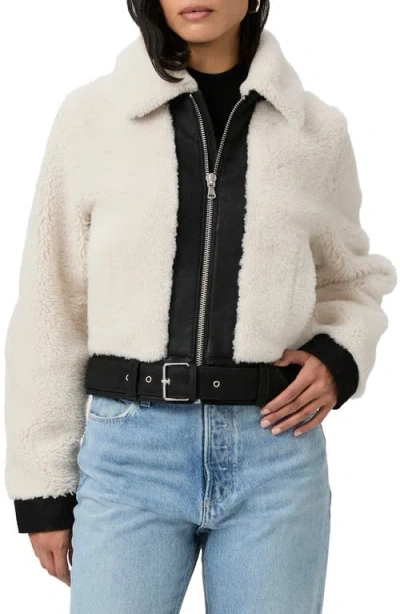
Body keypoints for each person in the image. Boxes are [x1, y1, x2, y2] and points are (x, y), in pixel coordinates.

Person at [4, 1, 397, 612]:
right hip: (129, 456)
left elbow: (352, 279)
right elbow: (51, 302)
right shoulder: (92, 118)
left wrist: (338, 357)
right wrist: (43, 487)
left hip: (275, 453)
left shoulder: (315, 131)